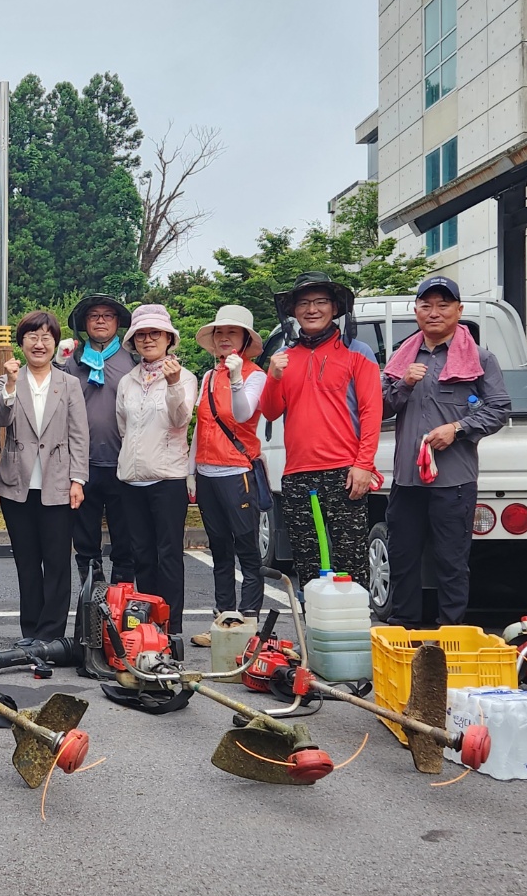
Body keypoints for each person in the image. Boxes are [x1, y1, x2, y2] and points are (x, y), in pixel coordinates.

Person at [381, 276, 510, 627]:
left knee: (451, 562)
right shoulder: (401, 358)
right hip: (407, 481)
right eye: (426, 305)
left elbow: (498, 408)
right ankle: (403, 628)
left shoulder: (480, 358)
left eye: (443, 305)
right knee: (402, 557)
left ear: (459, 310)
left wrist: (457, 429)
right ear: (416, 311)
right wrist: (404, 384)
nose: (434, 312)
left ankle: (451, 633)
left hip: (454, 482)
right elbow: (378, 409)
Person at [260, 271, 382, 592]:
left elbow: (372, 412)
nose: (312, 309)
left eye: (320, 302)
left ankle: (350, 636)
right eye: (304, 303)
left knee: (351, 566)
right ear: (293, 311)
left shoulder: (358, 353)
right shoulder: (285, 358)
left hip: (345, 471)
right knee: (309, 568)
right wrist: (273, 375)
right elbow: (271, 411)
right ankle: (314, 637)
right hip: (298, 474)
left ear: (335, 307)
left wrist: (364, 464)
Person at [0, 311, 88, 644]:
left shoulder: (69, 384)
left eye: (46, 337)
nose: (39, 343)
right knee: (27, 564)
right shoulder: (9, 380)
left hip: (58, 484)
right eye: (32, 336)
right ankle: (30, 632)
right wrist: (11, 386)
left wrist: (78, 480)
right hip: (17, 486)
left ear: (54, 343)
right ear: (21, 343)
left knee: (58, 563)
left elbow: (79, 435)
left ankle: (52, 636)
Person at [114, 304, 197, 634]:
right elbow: (124, 427)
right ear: (133, 341)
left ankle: (171, 629)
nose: (148, 339)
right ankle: (147, 627)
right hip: (132, 481)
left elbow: (181, 419)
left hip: (167, 480)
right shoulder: (127, 381)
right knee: (142, 556)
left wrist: (174, 384)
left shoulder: (185, 377)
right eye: (142, 334)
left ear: (168, 339)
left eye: (155, 333)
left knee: (169, 556)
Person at [187, 305, 266, 647]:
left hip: (237, 472)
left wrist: (236, 379)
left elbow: (243, 413)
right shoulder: (207, 377)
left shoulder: (255, 375)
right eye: (219, 333)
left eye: (231, 333)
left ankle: (249, 623)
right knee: (219, 550)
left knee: (247, 550)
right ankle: (222, 621)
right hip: (206, 473)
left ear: (245, 339)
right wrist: (191, 471)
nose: (223, 339)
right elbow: (201, 427)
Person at [58, 293, 135, 590]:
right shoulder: (71, 361)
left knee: (125, 541)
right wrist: (59, 362)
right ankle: (93, 601)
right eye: (94, 316)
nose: (101, 320)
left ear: (118, 323)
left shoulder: (133, 360)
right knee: (86, 542)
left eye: (108, 315)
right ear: (84, 323)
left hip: (122, 464)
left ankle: (122, 603)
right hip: (81, 465)